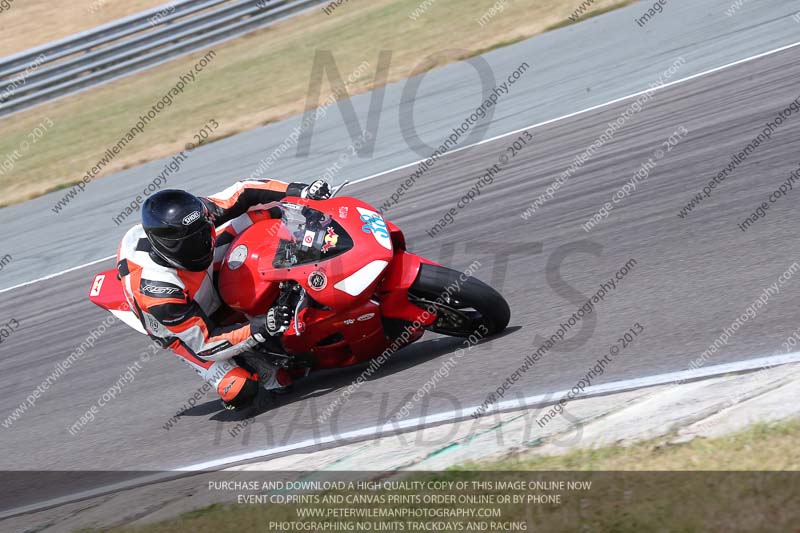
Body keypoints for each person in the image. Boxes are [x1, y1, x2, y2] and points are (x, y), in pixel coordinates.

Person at [116, 179, 331, 410]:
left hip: (201, 276)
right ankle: (251, 361)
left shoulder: (195, 217)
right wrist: (262, 326)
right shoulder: (158, 292)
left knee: (261, 216)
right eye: (189, 243)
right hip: (186, 332)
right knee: (242, 390)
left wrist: (301, 191)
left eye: (202, 233)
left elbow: (244, 192)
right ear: (163, 247)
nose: (200, 244)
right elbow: (206, 343)